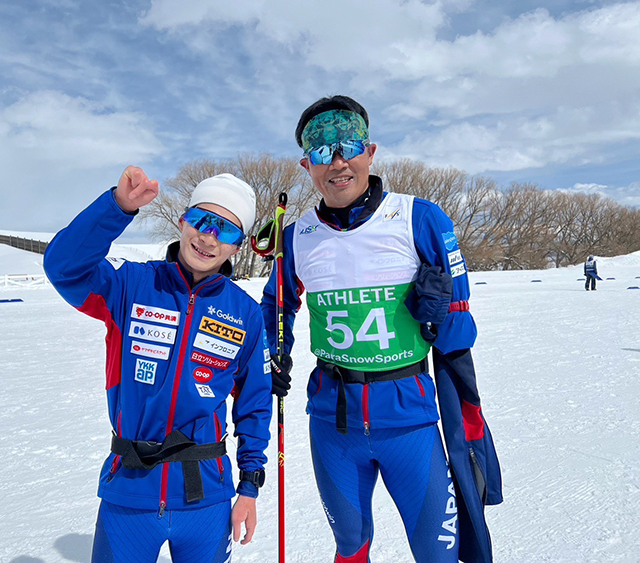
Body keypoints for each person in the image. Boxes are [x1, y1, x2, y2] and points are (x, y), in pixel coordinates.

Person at [262, 96, 502, 563]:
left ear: (369, 152)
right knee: (351, 546)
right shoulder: (297, 236)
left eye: (348, 145)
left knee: (439, 552)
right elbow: (277, 304)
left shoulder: (420, 217)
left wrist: (440, 323)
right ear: (306, 165)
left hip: (408, 417)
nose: (337, 161)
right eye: (321, 151)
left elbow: (458, 323)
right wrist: (275, 349)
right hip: (333, 420)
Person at [44, 167, 272, 563]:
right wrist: (117, 208)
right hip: (129, 493)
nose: (208, 236)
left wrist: (249, 488)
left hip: (206, 498)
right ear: (182, 221)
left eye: (226, 229)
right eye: (201, 220)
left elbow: (254, 405)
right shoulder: (131, 285)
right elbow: (63, 267)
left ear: (239, 246)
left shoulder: (246, 314)